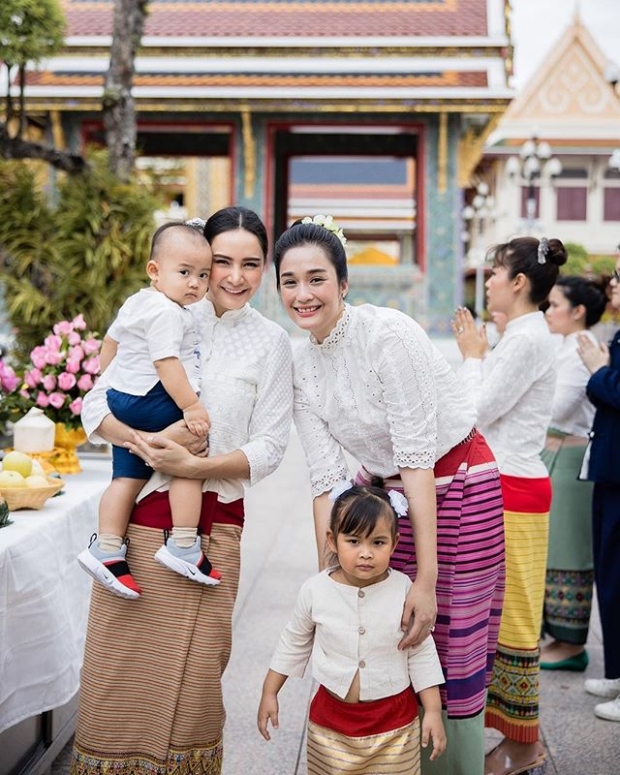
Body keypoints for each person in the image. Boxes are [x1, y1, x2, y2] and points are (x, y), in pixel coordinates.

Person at [272, 216, 505, 775]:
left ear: (344, 283)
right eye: (289, 281)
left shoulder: (389, 335)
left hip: (459, 487)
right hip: (383, 499)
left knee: (444, 636)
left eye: (317, 279)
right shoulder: (299, 363)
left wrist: (426, 579)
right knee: (387, 634)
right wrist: (328, 572)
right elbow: (326, 478)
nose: (303, 295)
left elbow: (416, 459)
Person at [70, 206, 293, 775]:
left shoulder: (270, 344)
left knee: (192, 686)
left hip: (209, 532)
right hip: (137, 528)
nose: (234, 277)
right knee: (118, 675)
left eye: (252, 263)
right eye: (221, 262)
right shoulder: (153, 316)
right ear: (192, 262)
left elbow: (270, 447)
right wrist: (144, 443)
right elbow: (97, 399)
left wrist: (198, 466)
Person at [452, 236, 567, 775]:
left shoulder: (526, 339)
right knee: (497, 613)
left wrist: (474, 357)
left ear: (519, 283)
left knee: (515, 616)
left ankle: (525, 742)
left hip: (514, 488)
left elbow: (475, 410)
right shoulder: (520, 335)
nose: (489, 280)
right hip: (507, 484)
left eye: (496, 272)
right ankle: (512, 732)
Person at [257, 482, 447, 774]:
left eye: (378, 543)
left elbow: (420, 651)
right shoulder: (316, 590)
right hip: (331, 724)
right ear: (333, 541)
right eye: (354, 541)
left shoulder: (404, 590)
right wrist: (270, 692)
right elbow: (293, 642)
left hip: (394, 725)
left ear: (395, 543)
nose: (366, 553)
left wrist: (432, 711)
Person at [78, 221, 220, 599]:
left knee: (125, 477)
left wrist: (105, 379)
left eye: (203, 275)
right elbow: (166, 363)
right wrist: (191, 406)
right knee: (190, 454)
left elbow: (110, 340)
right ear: (154, 271)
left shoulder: (138, 301)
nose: (195, 283)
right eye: (185, 272)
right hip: (151, 396)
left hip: (122, 398)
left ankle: (107, 548)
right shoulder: (168, 313)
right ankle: (184, 544)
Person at [540, 277, 607, 671]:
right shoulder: (563, 346)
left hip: (571, 459)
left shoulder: (585, 349)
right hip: (552, 457)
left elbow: (557, 410)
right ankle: (556, 635)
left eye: (554, 305)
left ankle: (570, 643)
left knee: (568, 552)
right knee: (550, 551)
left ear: (577, 311)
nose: (548, 312)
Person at [577, 257, 620, 722]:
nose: (612, 284)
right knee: (609, 576)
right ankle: (616, 670)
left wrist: (597, 372)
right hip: (610, 470)